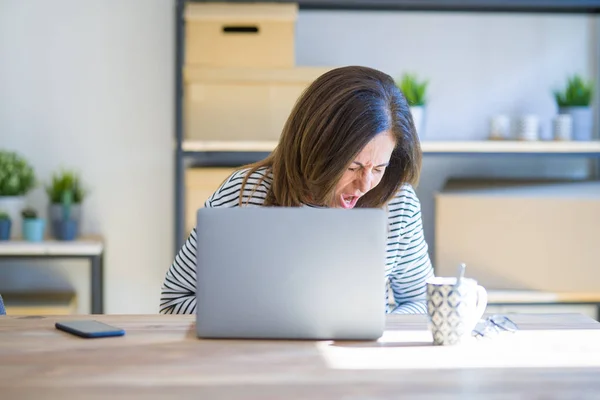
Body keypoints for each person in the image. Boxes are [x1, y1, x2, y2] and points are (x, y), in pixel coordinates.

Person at [160, 65, 434, 315]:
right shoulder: (245, 194)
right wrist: (259, 319)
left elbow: (421, 301)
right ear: (315, 147)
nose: (364, 185)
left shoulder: (399, 203)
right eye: (353, 167)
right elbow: (174, 300)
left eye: (378, 168)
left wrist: (378, 327)